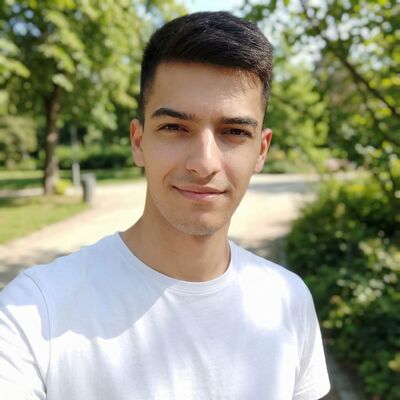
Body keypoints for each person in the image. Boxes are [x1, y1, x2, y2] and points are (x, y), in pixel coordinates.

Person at [0, 11, 330, 400]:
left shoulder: (289, 300)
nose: (204, 163)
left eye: (234, 132)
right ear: (139, 141)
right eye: (174, 127)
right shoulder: (33, 313)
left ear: (261, 150)